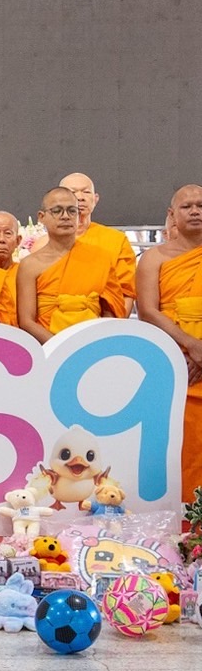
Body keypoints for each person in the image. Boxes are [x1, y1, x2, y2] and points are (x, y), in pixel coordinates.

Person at [136, 184, 202, 497]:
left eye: (200, 205)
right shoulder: (154, 258)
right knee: (181, 444)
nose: (195, 211)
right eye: (187, 206)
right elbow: (148, 311)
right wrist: (189, 346)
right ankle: (187, 520)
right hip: (175, 362)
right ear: (171, 215)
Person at [16, 188, 124, 343]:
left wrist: (99, 342)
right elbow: (26, 321)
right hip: (48, 348)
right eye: (57, 211)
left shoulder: (100, 257)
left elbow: (110, 310)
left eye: (72, 211)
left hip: (94, 345)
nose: (65, 216)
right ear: (41, 217)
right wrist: (61, 348)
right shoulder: (30, 265)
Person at [60, 172, 136, 312]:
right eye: (72, 192)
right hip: (53, 323)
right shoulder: (47, 242)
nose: (80, 197)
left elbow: (126, 292)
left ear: (95, 199)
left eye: (86, 192)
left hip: (102, 322)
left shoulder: (116, 240)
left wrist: (112, 329)